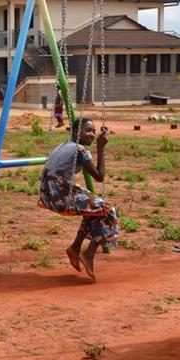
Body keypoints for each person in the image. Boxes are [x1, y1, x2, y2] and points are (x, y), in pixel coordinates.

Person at [39, 117, 119, 281]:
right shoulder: (80, 150)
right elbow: (99, 176)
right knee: (108, 211)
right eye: (88, 130)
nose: (92, 134)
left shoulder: (64, 145)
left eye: (94, 132)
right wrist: (101, 148)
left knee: (93, 210)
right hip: (60, 196)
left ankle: (75, 248)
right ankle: (88, 254)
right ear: (76, 132)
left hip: (48, 194)